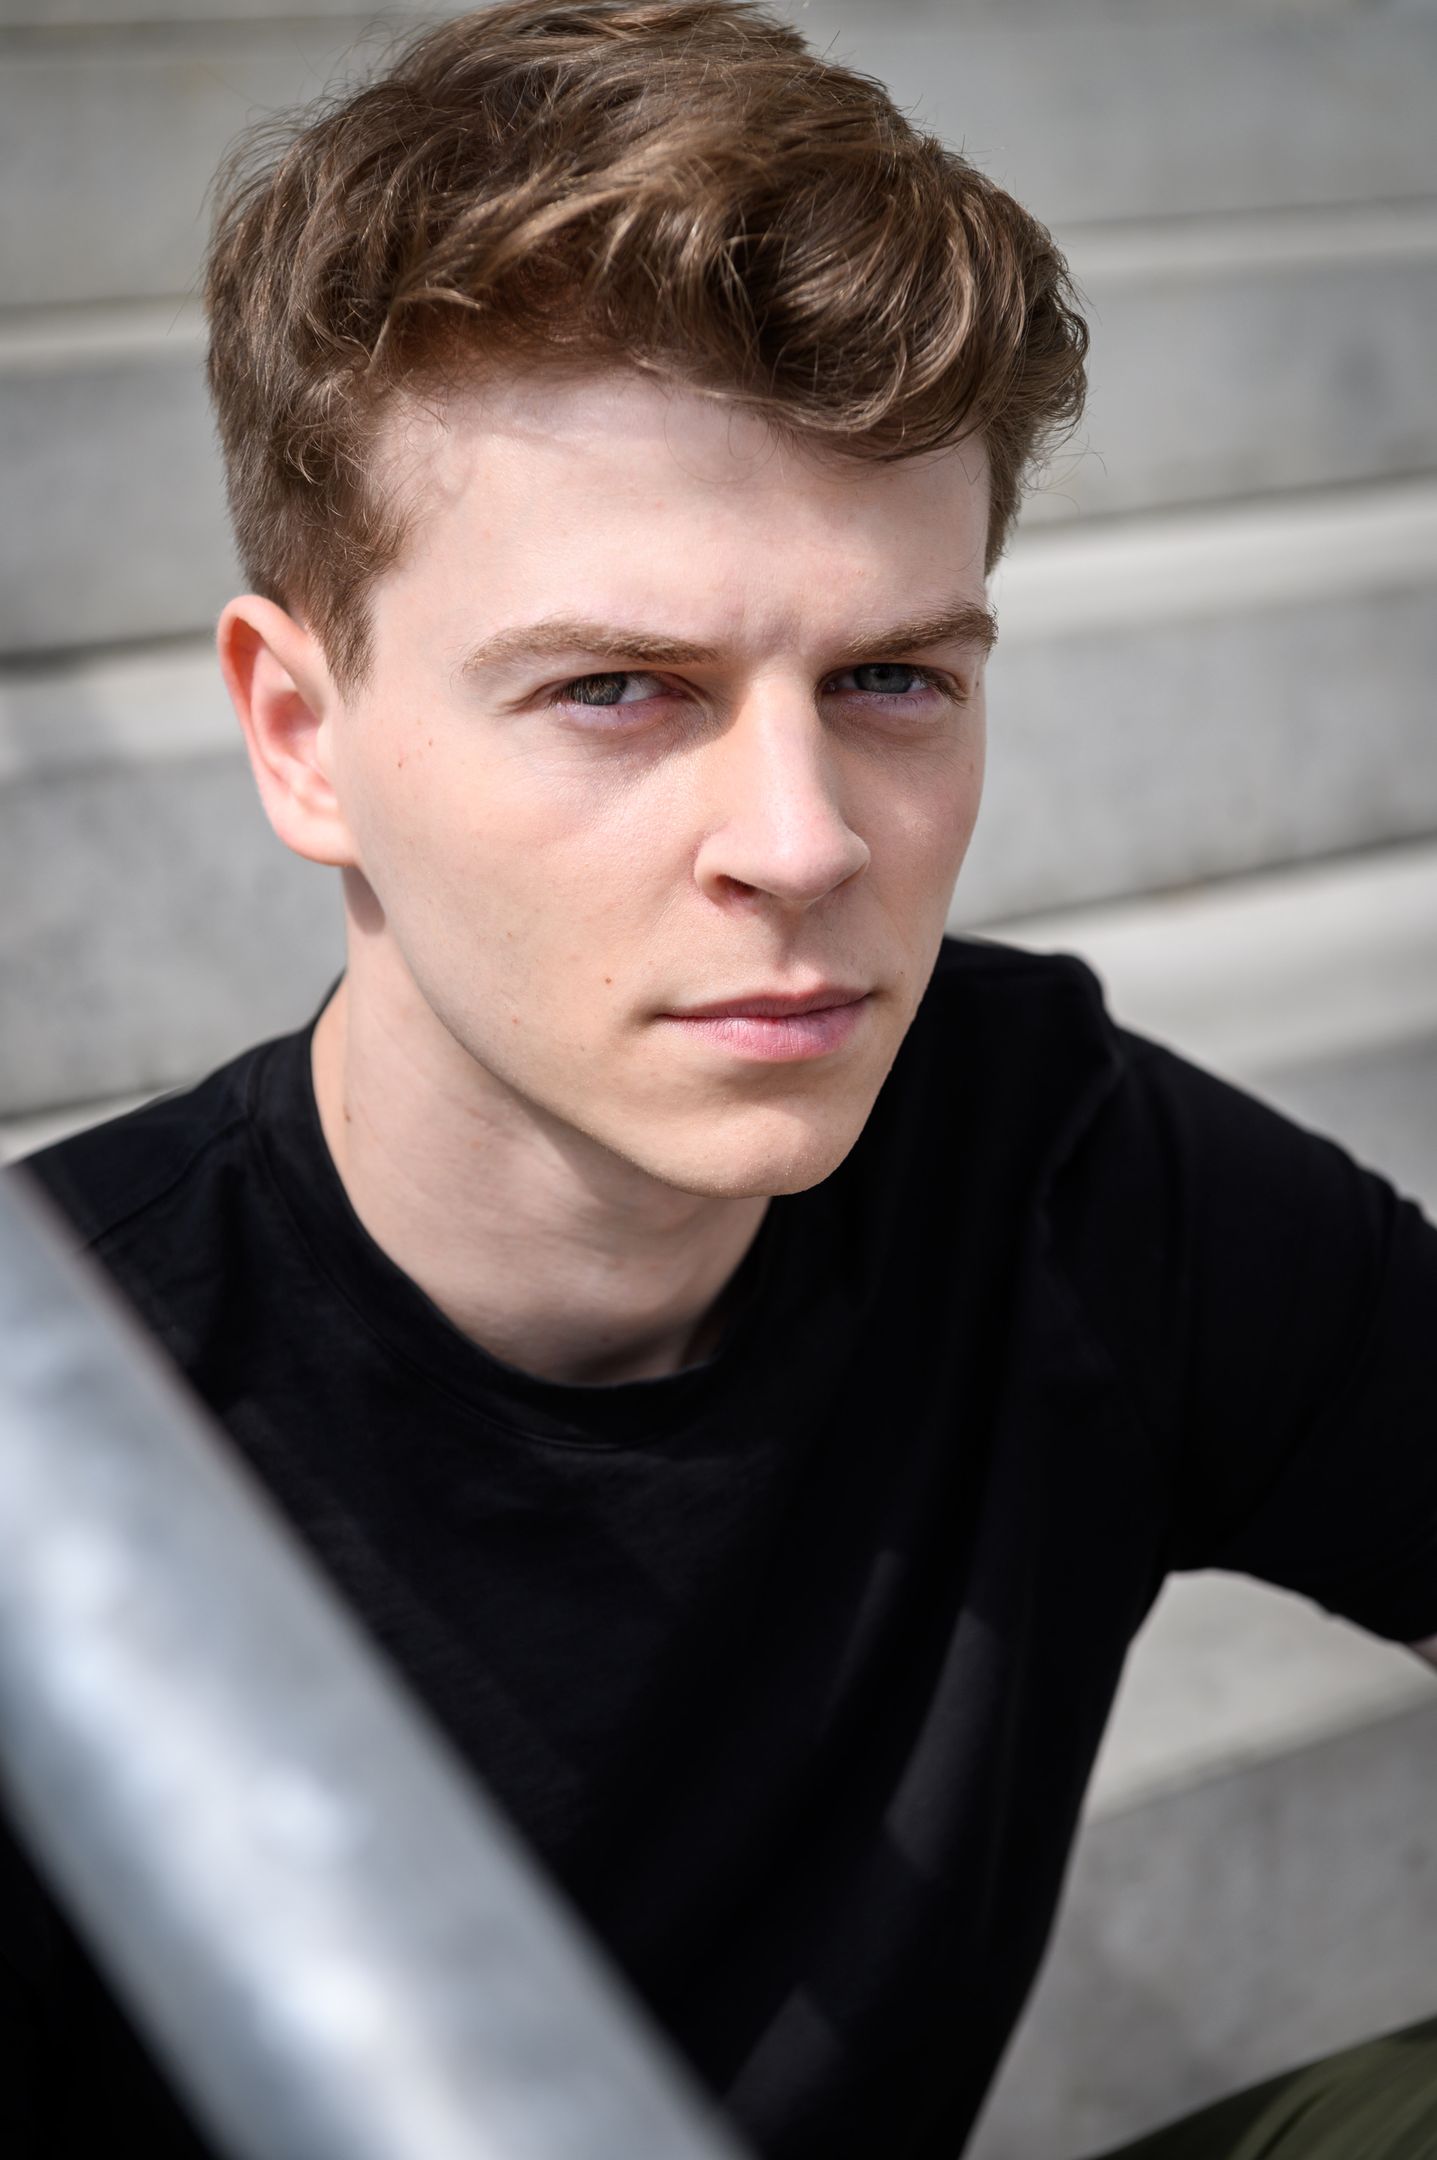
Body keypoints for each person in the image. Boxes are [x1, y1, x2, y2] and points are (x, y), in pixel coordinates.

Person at [6, 3, 1436, 2155]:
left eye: (890, 678)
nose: (803, 841)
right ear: (302, 737)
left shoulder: (1051, 1158)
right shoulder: (61, 1448)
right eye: (617, 689)